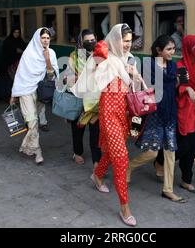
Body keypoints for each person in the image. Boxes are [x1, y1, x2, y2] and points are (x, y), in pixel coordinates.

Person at [71, 23, 138, 227]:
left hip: (124, 113)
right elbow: (91, 77)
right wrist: (101, 57)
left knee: (109, 152)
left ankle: (97, 176)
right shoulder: (104, 55)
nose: (127, 45)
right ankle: (125, 207)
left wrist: (133, 74)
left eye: (129, 41)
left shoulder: (129, 60)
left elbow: (132, 86)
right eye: (123, 41)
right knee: (121, 156)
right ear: (115, 40)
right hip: (108, 112)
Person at [156, 35, 195, 194]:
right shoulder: (180, 66)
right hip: (182, 113)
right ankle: (160, 161)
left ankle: (186, 180)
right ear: (193, 50)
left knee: (194, 146)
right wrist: (187, 88)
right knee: (184, 146)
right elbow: (177, 88)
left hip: (194, 113)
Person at [127, 35, 185, 204]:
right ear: (158, 50)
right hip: (154, 114)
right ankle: (129, 167)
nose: (172, 53)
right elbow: (143, 87)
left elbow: (172, 88)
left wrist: (179, 82)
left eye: (173, 49)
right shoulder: (148, 65)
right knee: (152, 152)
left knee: (170, 153)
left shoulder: (173, 66)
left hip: (170, 113)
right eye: (169, 49)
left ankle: (168, 189)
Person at [10, 27, 59, 164]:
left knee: (35, 122)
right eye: (43, 37)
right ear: (37, 38)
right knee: (32, 121)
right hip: (26, 90)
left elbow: (52, 77)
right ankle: (38, 151)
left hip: (41, 91)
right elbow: (20, 74)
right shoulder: (28, 53)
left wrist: (47, 60)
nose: (45, 40)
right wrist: (14, 94)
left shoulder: (52, 53)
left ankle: (26, 146)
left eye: (48, 38)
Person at [66, 29, 101, 166]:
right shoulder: (75, 56)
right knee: (78, 128)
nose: (91, 43)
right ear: (81, 42)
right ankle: (77, 152)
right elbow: (68, 77)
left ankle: (96, 160)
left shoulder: (100, 55)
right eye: (88, 41)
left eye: (93, 40)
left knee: (95, 131)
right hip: (79, 97)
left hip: (95, 100)